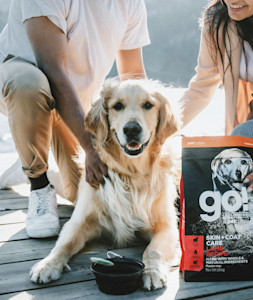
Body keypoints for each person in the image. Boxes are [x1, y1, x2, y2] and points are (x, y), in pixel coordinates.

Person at [0, 0, 150, 238]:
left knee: (90, 193)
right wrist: (90, 146)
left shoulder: (131, 3)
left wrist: (149, 137)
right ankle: (38, 183)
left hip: (74, 104)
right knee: (30, 84)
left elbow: (133, 75)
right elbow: (52, 68)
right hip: (25, 84)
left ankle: (34, 164)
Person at [179, 0, 253, 255]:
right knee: (206, 208)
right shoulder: (218, 21)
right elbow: (201, 87)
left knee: (245, 141)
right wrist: (155, 131)